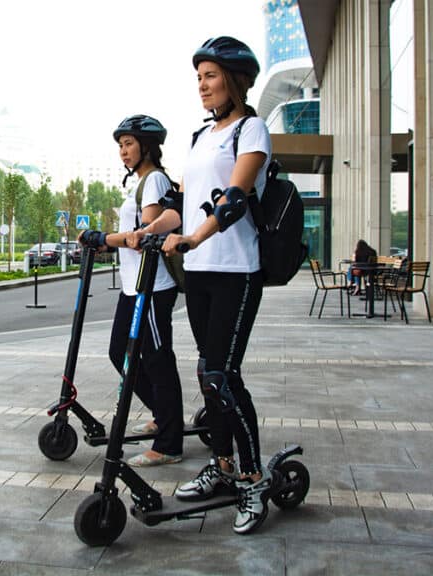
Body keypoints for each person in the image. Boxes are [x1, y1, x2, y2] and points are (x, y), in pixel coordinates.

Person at [143, 35, 272, 534]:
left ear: (235, 80)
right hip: (198, 273)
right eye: (198, 77)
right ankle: (221, 469)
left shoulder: (252, 129)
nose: (202, 85)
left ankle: (254, 478)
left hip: (236, 269)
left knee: (223, 375)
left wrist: (194, 236)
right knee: (206, 375)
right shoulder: (200, 138)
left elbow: (235, 196)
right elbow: (183, 200)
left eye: (211, 75)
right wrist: (151, 229)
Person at [78, 114, 184, 467]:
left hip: (152, 287)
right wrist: (106, 242)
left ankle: (169, 442)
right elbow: (130, 238)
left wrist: (105, 238)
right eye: (120, 145)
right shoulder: (140, 182)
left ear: (147, 147)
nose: (123, 151)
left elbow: (145, 238)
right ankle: (162, 412)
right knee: (118, 352)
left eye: (128, 144)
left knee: (157, 358)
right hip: (133, 287)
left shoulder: (153, 181)